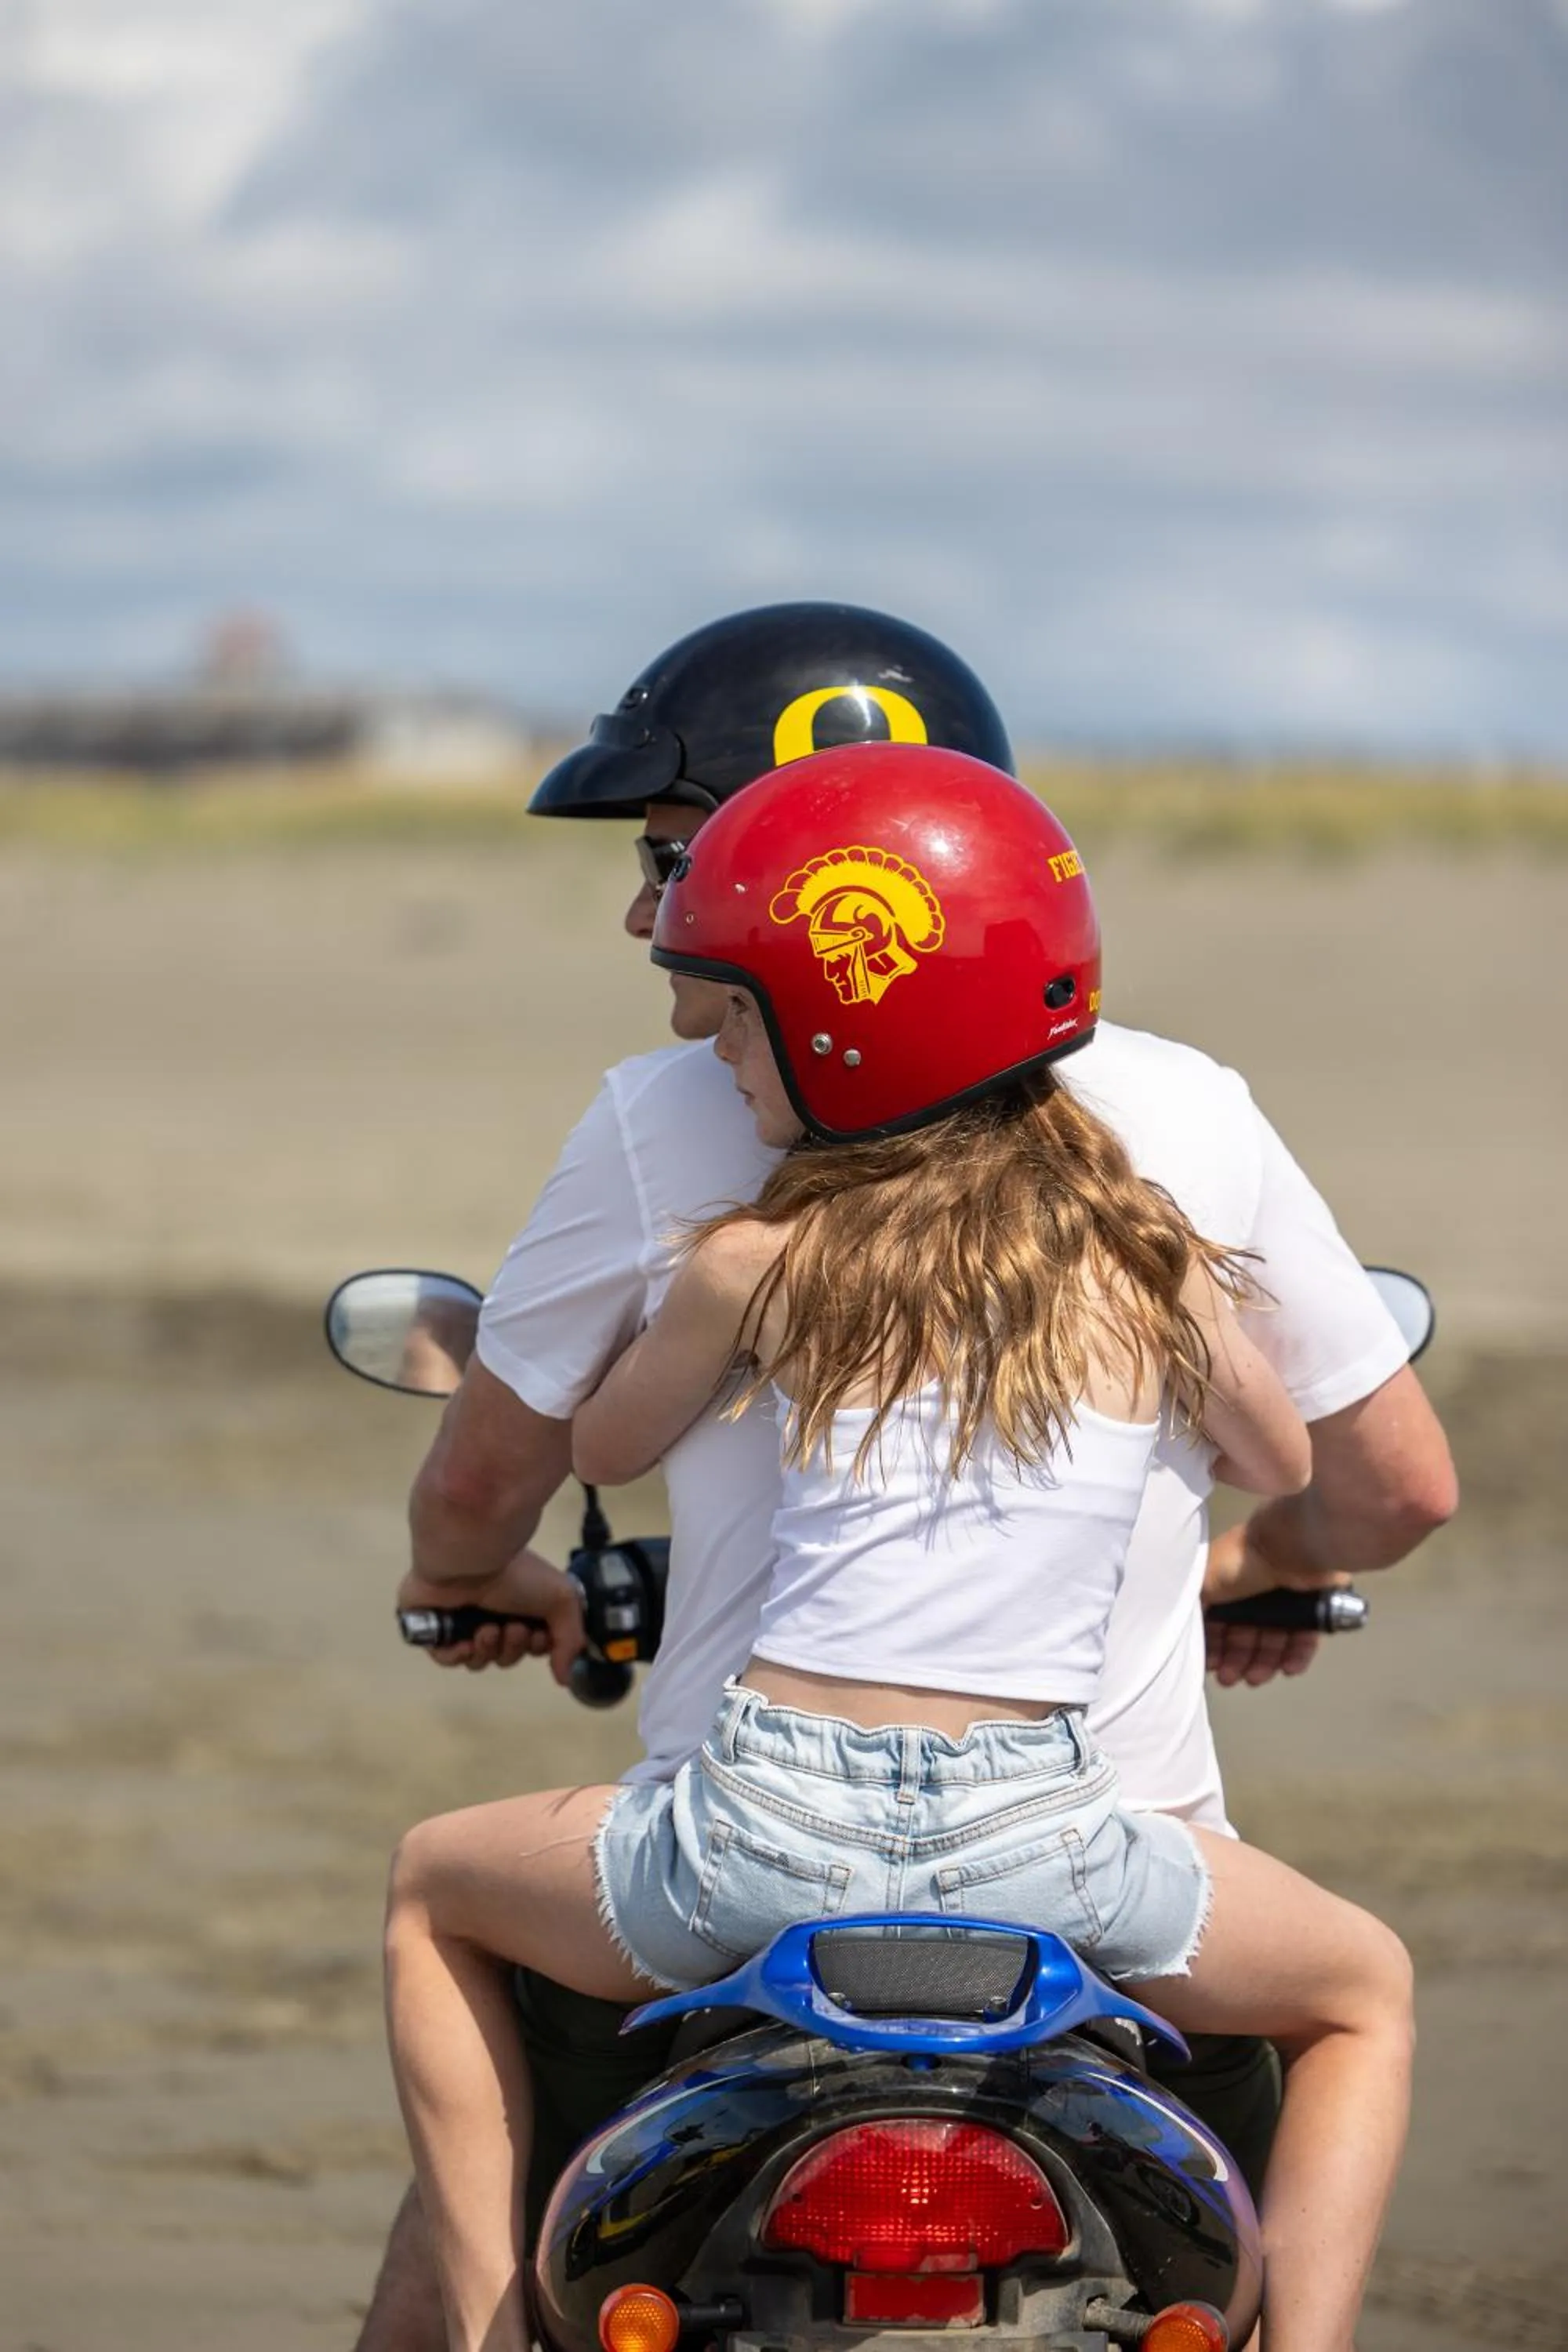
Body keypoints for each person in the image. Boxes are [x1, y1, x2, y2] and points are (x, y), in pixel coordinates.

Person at [354, 603, 1455, 2350]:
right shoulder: (1165, 1188)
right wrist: (1246, 1561)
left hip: (756, 1831)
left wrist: (477, 1568)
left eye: (680, 870)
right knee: (1362, 1992)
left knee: (438, 1902)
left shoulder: (709, 1188)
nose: (665, 952)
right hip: (1084, 1830)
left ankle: (490, 2322)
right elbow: (1372, 1483)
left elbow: (545, 1459)